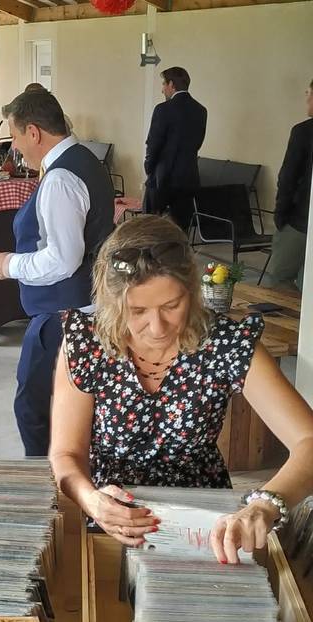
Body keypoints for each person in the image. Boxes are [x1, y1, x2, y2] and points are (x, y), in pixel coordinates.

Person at [49, 215, 313, 564]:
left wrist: (267, 503)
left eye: (171, 306)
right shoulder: (87, 343)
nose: (157, 327)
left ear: (191, 290)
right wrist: (90, 499)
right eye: (137, 310)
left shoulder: (225, 343)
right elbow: (66, 454)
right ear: (112, 302)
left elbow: (308, 441)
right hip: (111, 518)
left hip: (203, 522)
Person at [0, 89, 114, 457]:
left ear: (34, 132)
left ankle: (49, 488)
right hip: (82, 306)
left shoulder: (61, 178)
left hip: (64, 315)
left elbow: (63, 259)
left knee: (35, 410)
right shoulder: (85, 160)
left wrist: (10, 264)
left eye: (14, 136)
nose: (14, 147)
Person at [143, 66, 208, 231]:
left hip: (162, 179)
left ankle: (153, 257)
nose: (162, 89)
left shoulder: (163, 109)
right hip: (188, 178)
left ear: (172, 84)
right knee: (180, 230)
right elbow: (198, 143)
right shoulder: (200, 110)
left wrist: (149, 168)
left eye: (164, 84)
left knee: (152, 228)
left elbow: (154, 144)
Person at [267, 79, 313, 291]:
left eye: (308, 93)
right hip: (302, 218)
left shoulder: (304, 131)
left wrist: (280, 216)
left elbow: (288, 177)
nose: (306, 98)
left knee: (281, 279)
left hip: (300, 221)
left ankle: (287, 324)